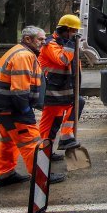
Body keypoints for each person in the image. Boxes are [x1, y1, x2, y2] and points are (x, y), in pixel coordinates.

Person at [0, 26, 65, 187]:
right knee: (31, 141)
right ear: (28, 39)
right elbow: (20, 90)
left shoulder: (19, 51)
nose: (44, 42)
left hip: (2, 106)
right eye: (40, 39)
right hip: (13, 108)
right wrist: (25, 111)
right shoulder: (23, 56)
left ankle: (5, 174)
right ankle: (41, 175)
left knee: (8, 140)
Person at [38, 14, 85, 161]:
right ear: (65, 30)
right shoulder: (50, 44)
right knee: (48, 126)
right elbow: (63, 60)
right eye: (73, 31)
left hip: (62, 91)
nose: (75, 34)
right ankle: (42, 155)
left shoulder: (65, 44)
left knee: (78, 103)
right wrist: (71, 44)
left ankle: (63, 138)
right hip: (52, 92)